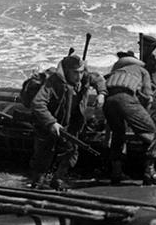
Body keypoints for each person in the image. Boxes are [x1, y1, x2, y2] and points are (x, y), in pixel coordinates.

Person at [30, 54, 106, 190]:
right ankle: (38, 183)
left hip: (71, 123)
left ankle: (58, 179)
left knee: (72, 152)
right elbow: (38, 103)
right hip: (50, 123)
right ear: (66, 71)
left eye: (81, 72)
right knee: (44, 154)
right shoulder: (53, 82)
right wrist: (51, 123)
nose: (79, 76)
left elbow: (98, 79)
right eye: (75, 72)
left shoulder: (85, 77)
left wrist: (101, 93)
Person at [103, 50, 156, 185]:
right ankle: (150, 173)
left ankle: (116, 173)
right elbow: (148, 96)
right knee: (153, 134)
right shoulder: (142, 71)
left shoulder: (116, 72)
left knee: (118, 134)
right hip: (126, 99)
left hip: (108, 101)